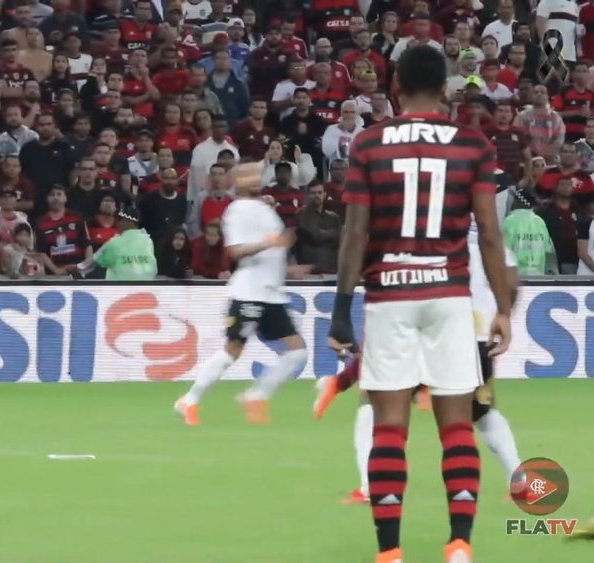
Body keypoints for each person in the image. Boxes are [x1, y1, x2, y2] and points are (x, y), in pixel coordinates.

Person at [327, 45, 512, 563]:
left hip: (390, 297)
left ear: (396, 86)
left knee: (389, 427)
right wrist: (501, 307)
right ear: (447, 91)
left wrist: (342, 308)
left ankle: (390, 553)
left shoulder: (369, 142)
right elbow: (490, 235)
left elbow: (355, 232)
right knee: (456, 425)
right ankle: (459, 544)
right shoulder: (472, 144)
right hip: (449, 296)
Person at [315, 219, 526, 507]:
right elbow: (512, 282)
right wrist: (500, 315)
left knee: (374, 404)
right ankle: (520, 482)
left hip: (432, 324)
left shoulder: (426, 230)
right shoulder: (491, 239)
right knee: (481, 410)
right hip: (476, 332)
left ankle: (370, 486)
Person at [174, 162, 308, 426]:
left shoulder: (265, 209)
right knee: (232, 351)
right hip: (249, 292)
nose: (254, 179)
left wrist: (291, 269)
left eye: (256, 174)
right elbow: (235, 251)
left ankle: (256, 395)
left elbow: (276, 251)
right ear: (237, 181)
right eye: (247, 175)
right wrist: (267, 243)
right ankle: (189, 400)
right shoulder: (236, 210)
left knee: (298, 353)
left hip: (272, 293)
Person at [77, 206, 156, 280]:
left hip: (119, 290)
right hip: (147, 290)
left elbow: (91, 262)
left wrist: (72, 268)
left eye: (119, 219)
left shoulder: (115, 242)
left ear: (129, 221)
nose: (117, 222)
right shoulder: (148, 241)